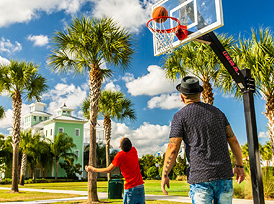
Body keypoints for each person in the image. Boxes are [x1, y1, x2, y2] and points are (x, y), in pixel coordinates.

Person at [161, 76, 245, 204]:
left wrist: (165, 174)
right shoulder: (218, 113)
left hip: (200, 178)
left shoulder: (180, 117)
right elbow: (233, 141)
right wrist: (239, 165)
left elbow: (173, 148)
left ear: (182, 97)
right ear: (200, 94)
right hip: (224, 175)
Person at [85, 137, 145, 204]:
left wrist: (92, 169)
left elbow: (108, 170)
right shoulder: (134, 150)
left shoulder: (120, 156)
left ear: (120, 147)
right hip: (140, 187)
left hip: (130, 188)